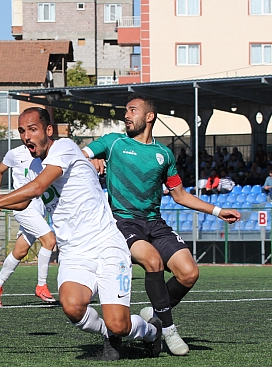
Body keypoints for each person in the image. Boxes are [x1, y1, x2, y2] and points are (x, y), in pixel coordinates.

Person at [0, 107, 163, 361]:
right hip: (73, 250)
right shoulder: (36, 164)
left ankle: (151, 331)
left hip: (106, 243)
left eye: (32, 129)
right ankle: (110, 336)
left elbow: (37, 187)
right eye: (21, 131)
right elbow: (23, 201)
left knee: (121, 325)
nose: (26, 136)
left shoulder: (64, 147)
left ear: (48, 130)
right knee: (73, 307)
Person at [82, 94, 241, 356]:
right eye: (125, 111)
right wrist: (90, 158)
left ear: (149, 116)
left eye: (132, 110)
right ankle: (167, 329)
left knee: (189, 273)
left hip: (155, 223)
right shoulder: (113, 143)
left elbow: (179, 195)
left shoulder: (164, 154)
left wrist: (218, 210)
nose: (126, 115)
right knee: (153, 261)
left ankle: (155, 312)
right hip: (123, 221)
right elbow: (74, 156)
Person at [0, 145, 57, 307]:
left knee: (20, 251)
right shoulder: (14, 153)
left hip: (40, 208)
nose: (28, 135)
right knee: (49, 241)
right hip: (22, 206)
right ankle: (41, 286)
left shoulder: (48, 152)